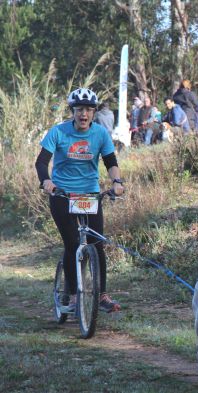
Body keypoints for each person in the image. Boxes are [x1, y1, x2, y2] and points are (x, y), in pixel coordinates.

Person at [35, 87, 124, 313]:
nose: (83, 114)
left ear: (94, 113)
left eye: (88, 110)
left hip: (89, 195)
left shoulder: (100, 134)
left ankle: (102, 295)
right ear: (72, 111)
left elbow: (111, 162)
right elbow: (41, 162)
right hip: (62, 195)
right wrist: (46, 181)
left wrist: (117, 182)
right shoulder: (58, 132)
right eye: (79, 109)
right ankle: (73, 295)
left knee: (97, 244)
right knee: (73, 243)